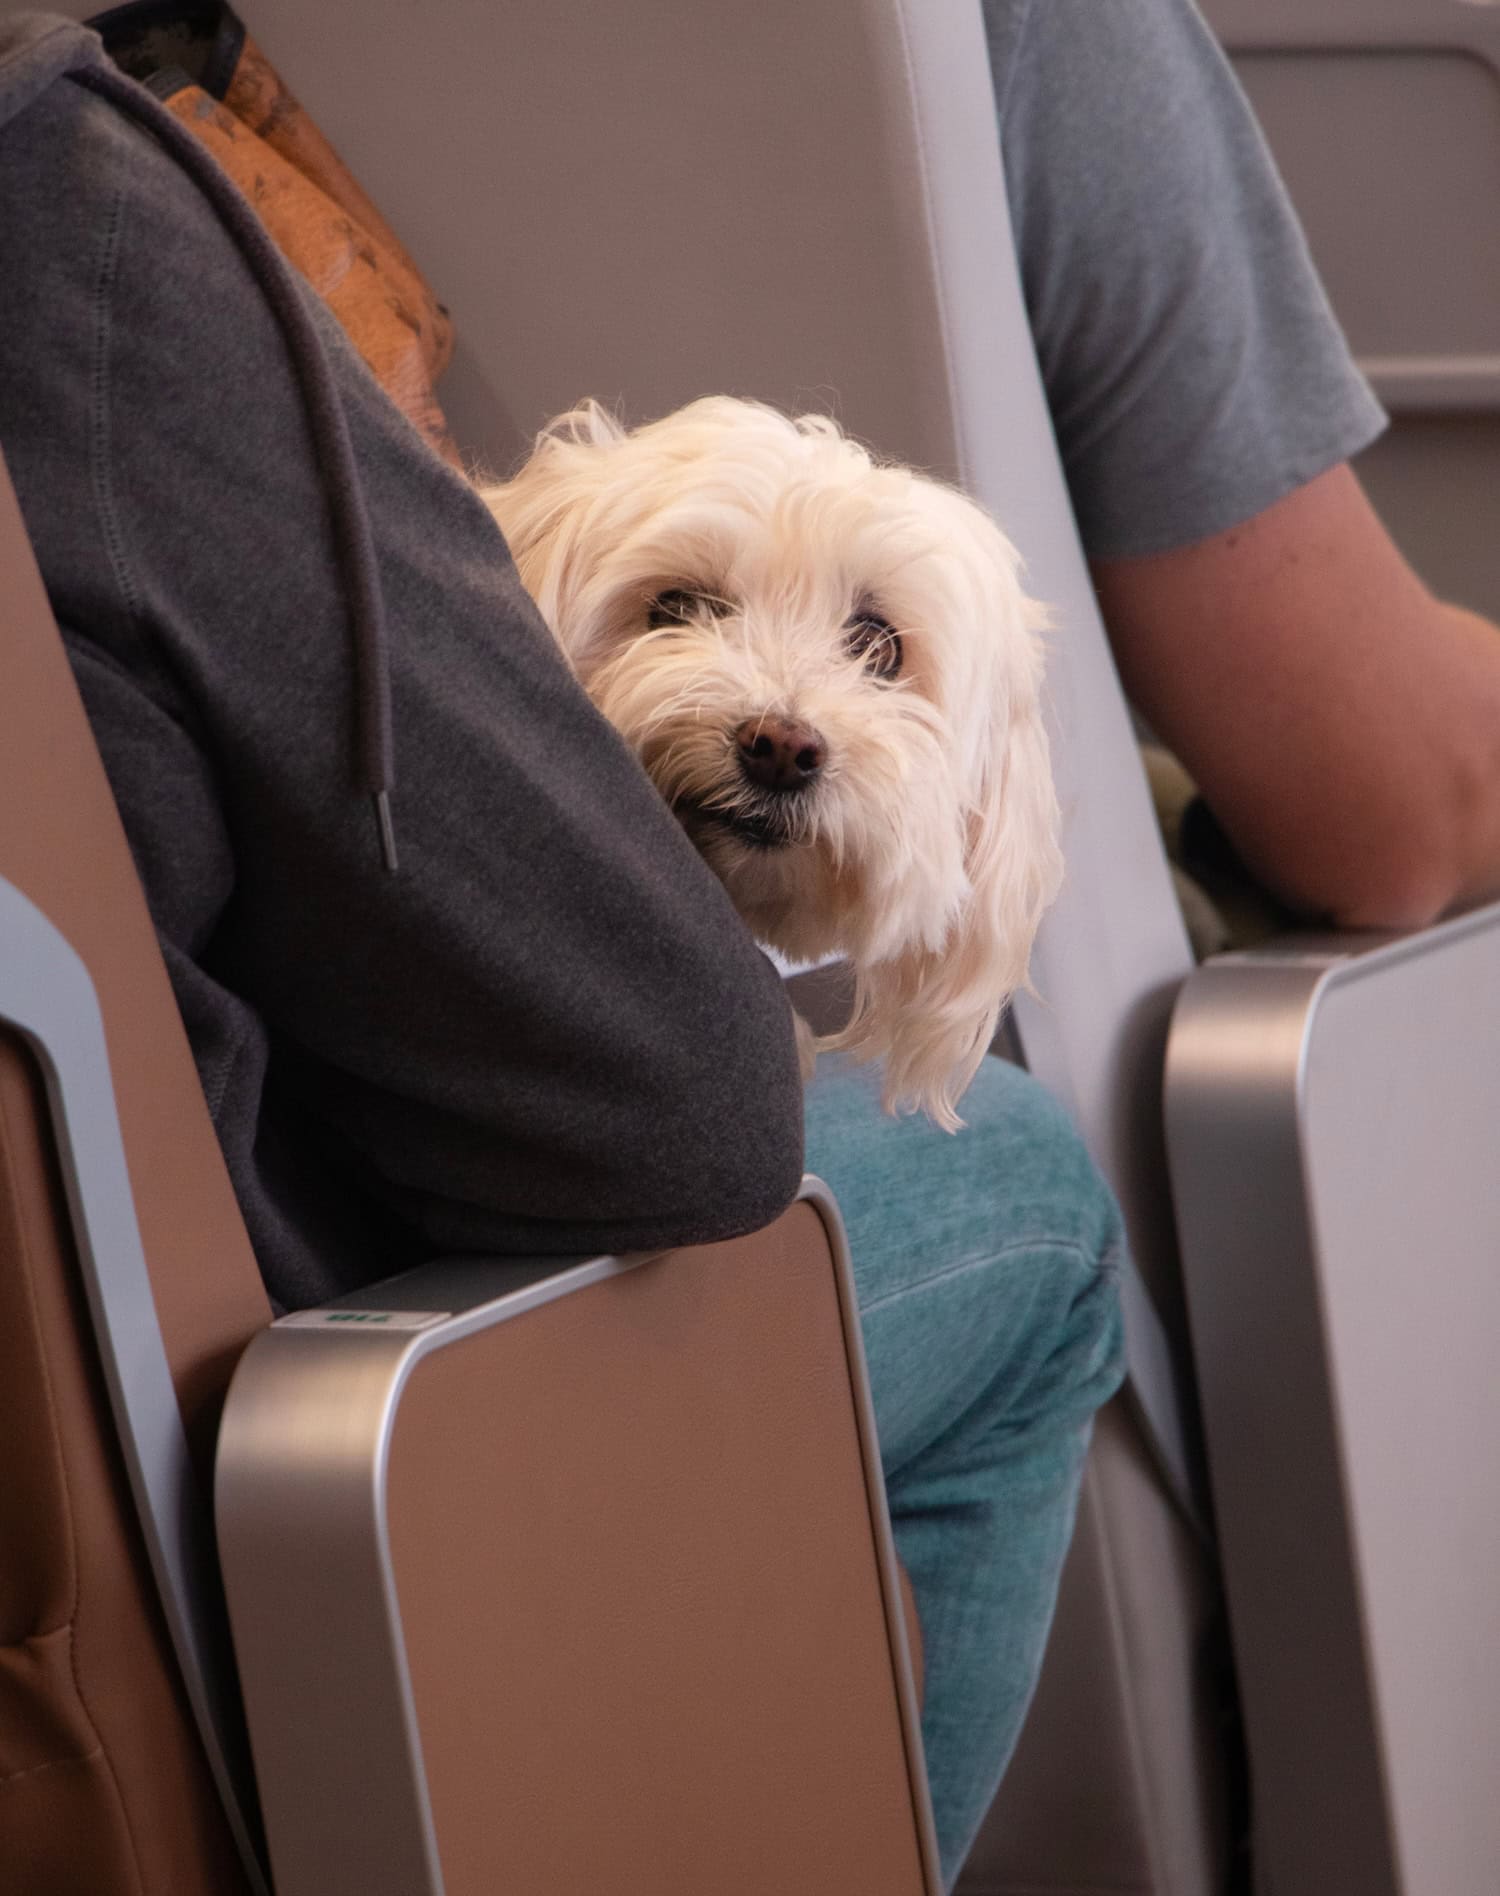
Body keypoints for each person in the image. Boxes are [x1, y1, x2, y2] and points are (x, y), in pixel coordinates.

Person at [0, 14, 1125, 1892]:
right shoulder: (80, 220)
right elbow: (676, 1124)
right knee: (1033, 1198)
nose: (781, 715)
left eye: (871, 657)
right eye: (678, 608)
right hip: (292, 1377)